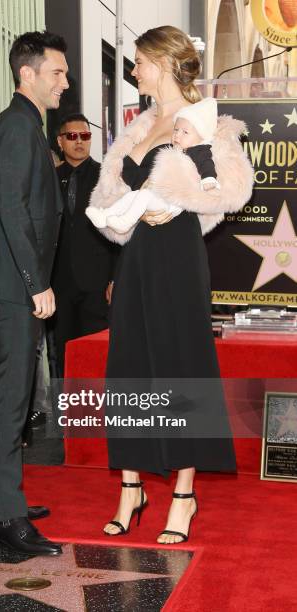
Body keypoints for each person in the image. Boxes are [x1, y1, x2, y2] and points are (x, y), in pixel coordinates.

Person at [89, 26, 253, 544]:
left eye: (138, 61)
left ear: (162, 62)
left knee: (181, 368)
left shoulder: (205, 121)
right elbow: (112, 192)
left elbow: (235, 190)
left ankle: (183, 493)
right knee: (130, 369)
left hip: (179, 258)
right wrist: (121, 215)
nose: (133, 70)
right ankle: (131, 487)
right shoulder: (137, 125)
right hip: (137, 257)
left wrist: (178, 200)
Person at [0, 31, 68, 556]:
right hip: (11, 287)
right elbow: (10, 208)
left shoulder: (17, 125)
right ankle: (7, 516)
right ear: (26, 73)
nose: (64, 82)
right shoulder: (20, 127)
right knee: (9, 403)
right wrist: (37, 282)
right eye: (57, 72)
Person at [86, 97, 220, 233]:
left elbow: (207, 165)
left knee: (142, 196)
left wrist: (208, 179)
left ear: (201, 137)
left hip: (172, 203)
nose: (177, 135)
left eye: (185, 132)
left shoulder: (199, 151)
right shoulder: (177, 150)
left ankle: (124, 223)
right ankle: (106, 215)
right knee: (131, 196)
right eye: (176, 130)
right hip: (160, 195)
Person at [50, 113, 117, 377]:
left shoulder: (106, 177)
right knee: (61, 353)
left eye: (85, 136)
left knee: (96, 353)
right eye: (72, 136)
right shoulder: (48, 178)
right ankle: (66, 412)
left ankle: (96, 413)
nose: (79, 141)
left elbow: (118, 230)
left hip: (97, 283)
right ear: (60, 141)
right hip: (58, 282)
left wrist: (115, 278)